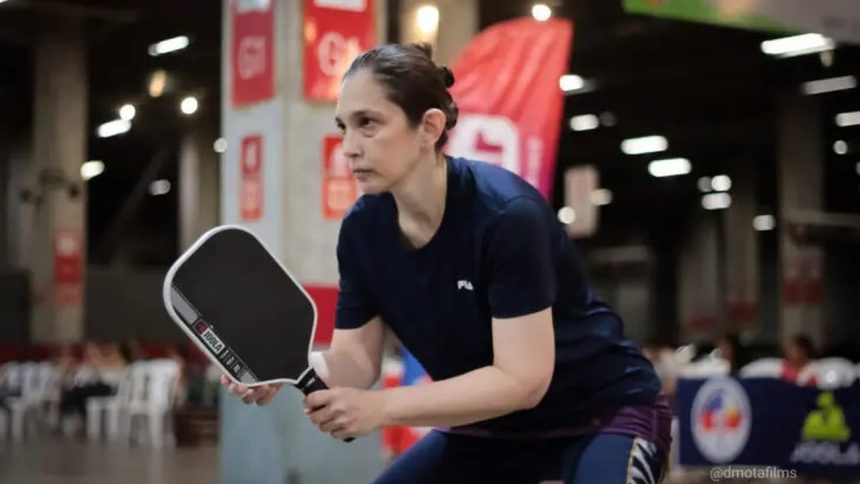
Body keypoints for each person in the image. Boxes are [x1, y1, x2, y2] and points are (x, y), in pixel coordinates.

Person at [222, 43, 671, 483]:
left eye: (368, 124)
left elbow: (523, 381)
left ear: (429, 127)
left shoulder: (507, 215)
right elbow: (356, 358)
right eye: (343, 127)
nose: (349, 148)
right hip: (492, 429)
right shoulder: (362, 230)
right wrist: (288, 370)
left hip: (603, 414)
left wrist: (380, 408)